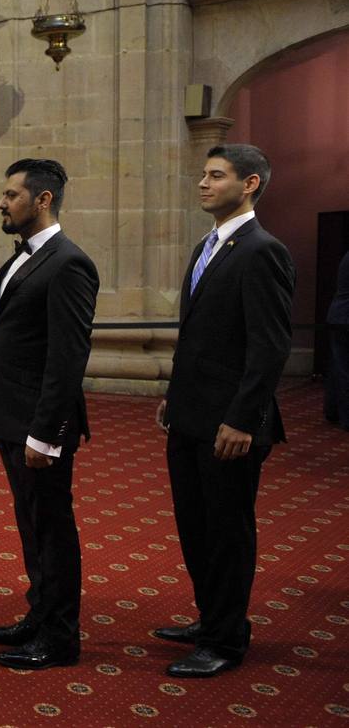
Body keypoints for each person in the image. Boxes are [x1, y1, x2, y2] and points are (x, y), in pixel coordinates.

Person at [155, 144, 294, 678]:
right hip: (192, 414)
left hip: (231, 424)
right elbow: (200, 337)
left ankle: (226, 640)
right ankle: (211, 618)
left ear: (251, 183)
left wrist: (243, 419)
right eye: (203, 175)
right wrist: (176, 394)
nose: (203, 184)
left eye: (216, 176)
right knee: (195, 525)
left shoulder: (262, 250)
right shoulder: (207, 246)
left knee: (227, 531)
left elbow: (269, 346)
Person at [0, 159, 98, 671]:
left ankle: (61, 636)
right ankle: (39, 613)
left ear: (42, 199)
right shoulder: (18, 261)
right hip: (13, 418)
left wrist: (45, 434)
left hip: (40, 425)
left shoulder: (69, 263)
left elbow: (67, 357)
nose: (2, 204)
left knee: (51, 527)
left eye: (11, 195)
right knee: (31, 523)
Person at [326, 249, 349, 428]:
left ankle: (334, 411)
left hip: (339, 316)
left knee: (338, 368)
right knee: (343, 369)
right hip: (345, 318)